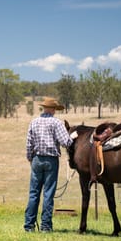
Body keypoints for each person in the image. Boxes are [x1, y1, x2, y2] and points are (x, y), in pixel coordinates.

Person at [24, 97, 78, 232]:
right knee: (48, 193)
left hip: (36, 159)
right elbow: (65, 142)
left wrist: (30, 159)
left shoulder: (34, 122)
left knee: (34, 193)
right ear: (53, 109)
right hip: (51, 160)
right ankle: (46, 226)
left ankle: (29, 225)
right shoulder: (56, 123)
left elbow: (29, 143)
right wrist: (73, 136)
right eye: (55, 109)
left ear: (44, 108)